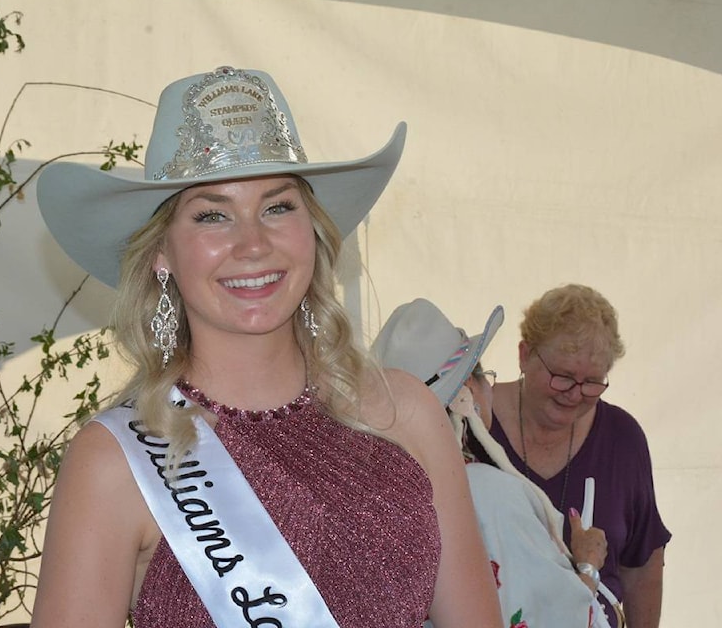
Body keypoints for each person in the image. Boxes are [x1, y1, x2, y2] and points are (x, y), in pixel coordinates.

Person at [29, 66, 502, 627]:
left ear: (314, 231)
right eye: (212, 215)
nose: (252, 243)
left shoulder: (405, 413)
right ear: (161, 253)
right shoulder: (115, 462)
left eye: (277, 207)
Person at [373, 298, 613, 628]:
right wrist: (587, 566)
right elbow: (555, 617)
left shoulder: (377, 497)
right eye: (485, 375)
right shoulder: (486, 493)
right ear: (466, 395)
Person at [481, 284, 671, 628]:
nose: (575, 394)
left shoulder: (622, 438)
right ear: (524, 354)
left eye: (592, 383)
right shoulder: (472, 422)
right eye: (563, 377)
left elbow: (642, 563)